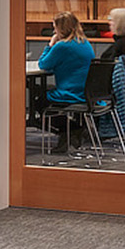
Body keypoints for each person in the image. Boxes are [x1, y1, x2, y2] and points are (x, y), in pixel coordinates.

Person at [35, 11, 94, 151]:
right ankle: (72, 130)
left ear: (61, 29)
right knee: (45, 90)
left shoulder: (62, 46)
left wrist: (50, 44)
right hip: (87, 93)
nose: (54, 31)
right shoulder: (85, 43)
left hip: (71, 93)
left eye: (55, 27)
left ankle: (70, 130)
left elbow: (43, 64)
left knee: (38, 102)